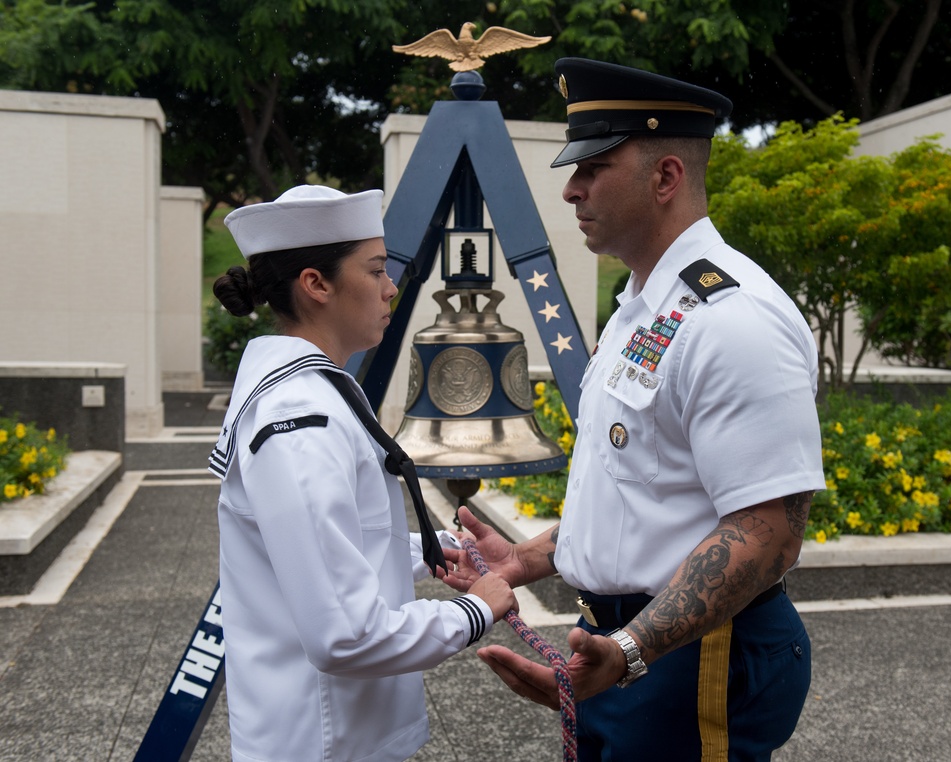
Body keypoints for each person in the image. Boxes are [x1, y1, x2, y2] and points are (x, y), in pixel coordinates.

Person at [441, 58, 826, 760]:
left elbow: (769, 531)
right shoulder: (641, 309)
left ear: (666, 177)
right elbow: (645, 491)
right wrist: (524, 559)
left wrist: (630, 650)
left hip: (698, 658)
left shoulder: (731, 320)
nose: (570, 189)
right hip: (634, 652)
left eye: (593, 168)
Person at [208, 184, 516, 762]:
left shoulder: (312, 394)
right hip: (323, 740)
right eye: (374, 270)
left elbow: (329, 557)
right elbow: (343, 633)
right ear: (316, 284)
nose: (390, 287)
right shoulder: (300, 417)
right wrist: (475, 611)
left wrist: (436, 550)